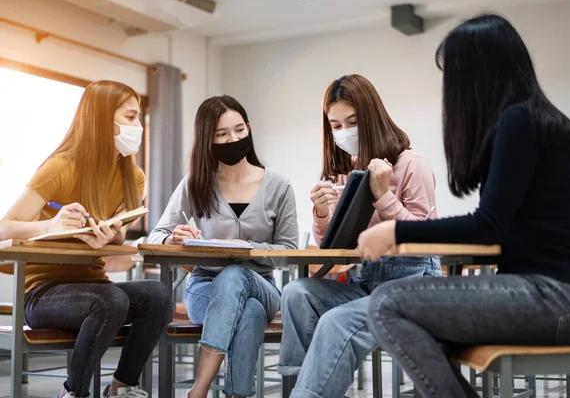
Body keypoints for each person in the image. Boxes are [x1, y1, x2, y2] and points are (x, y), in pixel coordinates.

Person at [358, 14, 570, 398]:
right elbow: (497, 227)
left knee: (386, 303)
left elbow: (487, 225)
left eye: (452, 75)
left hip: (562, 299)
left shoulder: (519, 122)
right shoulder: (527, 121)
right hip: (568, 297)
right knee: (419, 324)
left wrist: (394, 230)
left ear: (475, 77)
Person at [0, 80, 172, 398]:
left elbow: (117, 236)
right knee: (111, 301)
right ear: (101, 118)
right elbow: (4, 228)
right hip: (42, 295)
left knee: (159, 296)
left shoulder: (133, 177)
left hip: (94, 288)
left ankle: (122, 387)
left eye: (138, 118)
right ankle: (74, 392)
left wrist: (113, 235)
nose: (138, 127)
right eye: (130, 117)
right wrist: (50, 225)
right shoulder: (60, 167)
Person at [277, 74, 441, 398]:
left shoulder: (412, 164)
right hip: (366, 285)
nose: (343, 132)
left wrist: (384, 197)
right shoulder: (344, 172)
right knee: (295, 293)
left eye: (351, 122)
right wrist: (322, 213)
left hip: (414, 290)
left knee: (336, 322)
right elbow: (334, 248)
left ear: (371, 117)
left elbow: (424, 240)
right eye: (335, 126)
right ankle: (300, 388)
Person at [148, 95, 299, 398]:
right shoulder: (196, 183)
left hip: (262, 286)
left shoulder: (279, 185)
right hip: (205, 287)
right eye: (222, 134)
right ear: (208, 139)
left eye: (239, 129)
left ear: (249, 128)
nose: (234, 138)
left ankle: (198, 390)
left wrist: (246, 246)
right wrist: (171, 237)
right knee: (250, 313)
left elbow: (289, 250)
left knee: (235, 278)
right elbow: (155, 236)